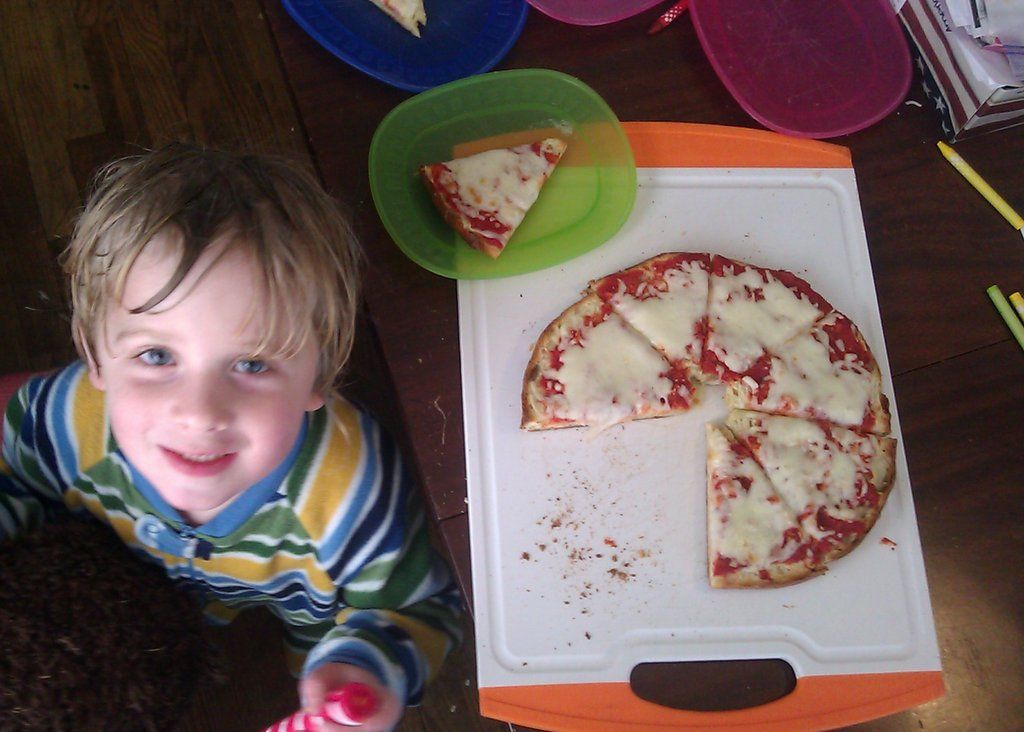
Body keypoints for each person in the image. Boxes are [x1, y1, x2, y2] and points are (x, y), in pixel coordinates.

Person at [0, 143, 462, 731]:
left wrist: (365, 669)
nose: (199, 413)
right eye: (156, 355)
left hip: (299, 642)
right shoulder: (68, 420)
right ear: (95, 356)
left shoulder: (352, 495)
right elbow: (14, 476)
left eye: (251, 364)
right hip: (113, 612)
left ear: (318, 377)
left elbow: (418, 607)